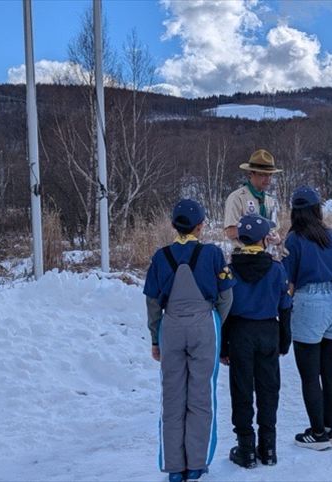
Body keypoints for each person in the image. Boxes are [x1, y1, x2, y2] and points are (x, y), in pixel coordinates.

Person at [143, 199, 235, 482]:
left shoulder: (160, 257)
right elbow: (226, 296)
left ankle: (173, 467)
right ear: (201, 226)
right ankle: (196, 464)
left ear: (173, 225)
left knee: (172, 397)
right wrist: (213, 321)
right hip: (203, 324)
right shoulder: (212, 254)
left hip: (170, 326)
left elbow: (153, 302)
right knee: (201, 394)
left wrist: (156, 338)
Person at [222, 214, 293, 468]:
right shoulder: (276, 268)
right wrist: (285, 340)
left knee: (241, 389)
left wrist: (223, 346)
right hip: (268, 331)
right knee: (268, 388)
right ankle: (268, 447)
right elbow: (285, 306)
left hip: (240, 331)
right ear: (265, 239)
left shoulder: (229, 270)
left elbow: (225, 310)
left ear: (240, 238)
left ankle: (246, 448)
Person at [282, 186, 332, 450]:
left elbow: (289, 280)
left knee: (310, 374)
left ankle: (317, 433)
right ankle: (330, 429)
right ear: (318, 208)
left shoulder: (294, 239)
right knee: (329, 369)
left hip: (309, 301)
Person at [224, 149, 282, 250]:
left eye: (270, 174)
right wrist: (253, 229)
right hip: (243, 256)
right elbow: (230, 232)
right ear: (251, 174)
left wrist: (277, 239)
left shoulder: (270, 200)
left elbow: (274, 229)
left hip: (265, 257)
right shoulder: (237, 197)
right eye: (262, 174)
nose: (267, 179)